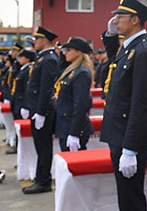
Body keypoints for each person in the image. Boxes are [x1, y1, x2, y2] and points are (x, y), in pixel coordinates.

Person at [101, 0, 147, 211]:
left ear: (134, 19)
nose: (116, 21)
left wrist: (130, 148)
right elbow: (114, 58)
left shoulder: (143, 51)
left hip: (128, 134)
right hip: (119, 131)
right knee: (125, 195)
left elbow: (140, 102)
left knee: (131, 197)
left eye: (120, 16)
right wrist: (109, 35)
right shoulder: (130, 48)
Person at [21, 26, 60, 195]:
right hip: (36, 108)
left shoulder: (49, 59)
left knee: (43, 147)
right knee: (40, 146)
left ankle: (43, 180)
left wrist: (42, 112)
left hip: (42, 110)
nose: (34, 43)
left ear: (44, 40)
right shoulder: (42, 58)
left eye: (36, 40)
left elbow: (46, 88)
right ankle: (40, 178)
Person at [56, 37, 95, 152]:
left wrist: (74, 133)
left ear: (78, 52)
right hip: (65, 125)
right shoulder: (72, 70)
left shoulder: (81, 72)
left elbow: (81, 105)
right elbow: (59, 70)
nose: (65, 53)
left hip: (73, 127)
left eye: (68, 50)